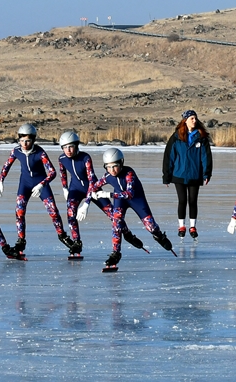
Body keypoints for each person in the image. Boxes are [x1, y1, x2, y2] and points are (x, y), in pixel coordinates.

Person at [87, 148, 175, 270]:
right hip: (120, 200)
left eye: (115, 166)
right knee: (116, 221)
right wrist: (85, 203)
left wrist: (108, 195)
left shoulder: (129, 173)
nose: (112, 170)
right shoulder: (107, 176)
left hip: (136, 199)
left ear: (121, 163)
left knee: (150, 226)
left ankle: (159, 236)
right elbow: (92, 187)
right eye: (108, 167)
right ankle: (116, 252)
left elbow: (129, 194)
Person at [0, 124, 73, 255]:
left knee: (53, 211)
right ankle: (20, 241)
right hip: (25, 185)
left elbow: (52, 172)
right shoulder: (16, 151)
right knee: (19, 211)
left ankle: (62, 236)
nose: (24, 144)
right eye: (21, 141)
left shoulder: (40, 152)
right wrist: (0, 180)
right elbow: (6, 165)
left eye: (27, 141)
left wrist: (41, 184)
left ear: (33, 140)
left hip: (41, 184)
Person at [162, 110, 212, 239]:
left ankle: (192, 226)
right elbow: (169, 157)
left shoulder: (201, 137)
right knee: (182, 200)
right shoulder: (176, 137)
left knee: (193, 201)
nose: (194, 121)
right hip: (179, 174)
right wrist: (166, 176)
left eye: (195, 118)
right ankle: (181, 226)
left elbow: (206, 157)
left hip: (195, 175)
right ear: (185, 121)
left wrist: (206, 174)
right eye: (192, 118)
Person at [57, 130, 96, 256]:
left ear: (76, 146)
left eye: (71, 147)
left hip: (92, 188)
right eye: (65, 147)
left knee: (112, 213)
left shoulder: (85, 158)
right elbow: (63, 174)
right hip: (75, 189)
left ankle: (126, 234)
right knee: (70, 212)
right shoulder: (62, 158)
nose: (68, 150)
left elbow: (91, 180)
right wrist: (65, 189)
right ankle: (76, 243)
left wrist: (86, 204)